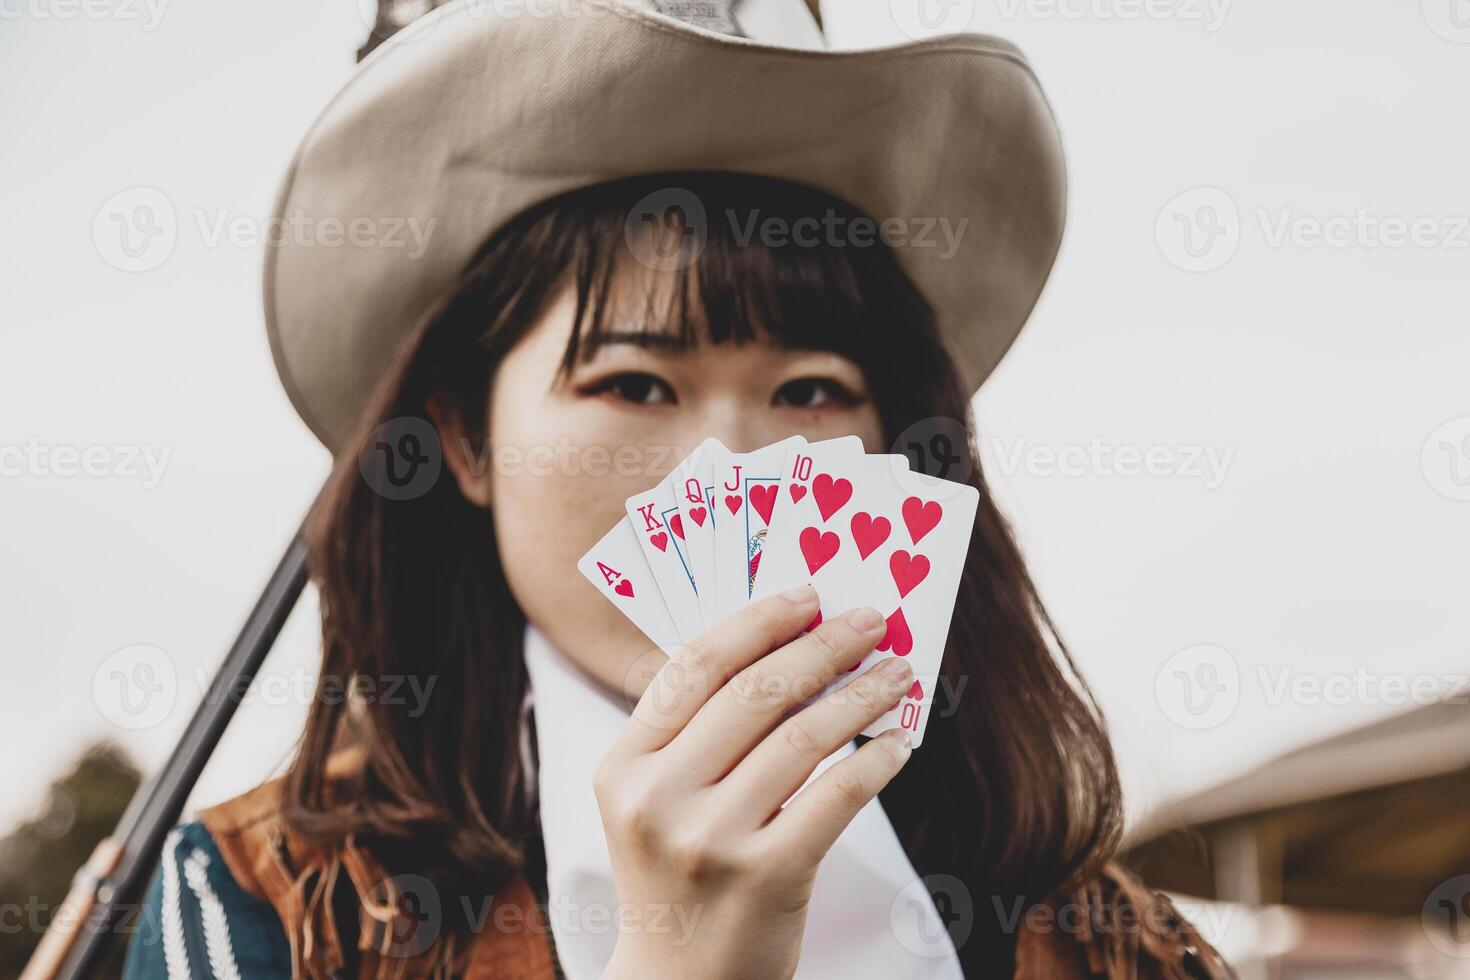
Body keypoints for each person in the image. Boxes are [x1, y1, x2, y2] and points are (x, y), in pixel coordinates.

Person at [124, 1, 1233, 977]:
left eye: (810, 387)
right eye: (635, 382)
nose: (731, 469)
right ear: (463, 439)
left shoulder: (1111, 941)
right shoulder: (268, 911)